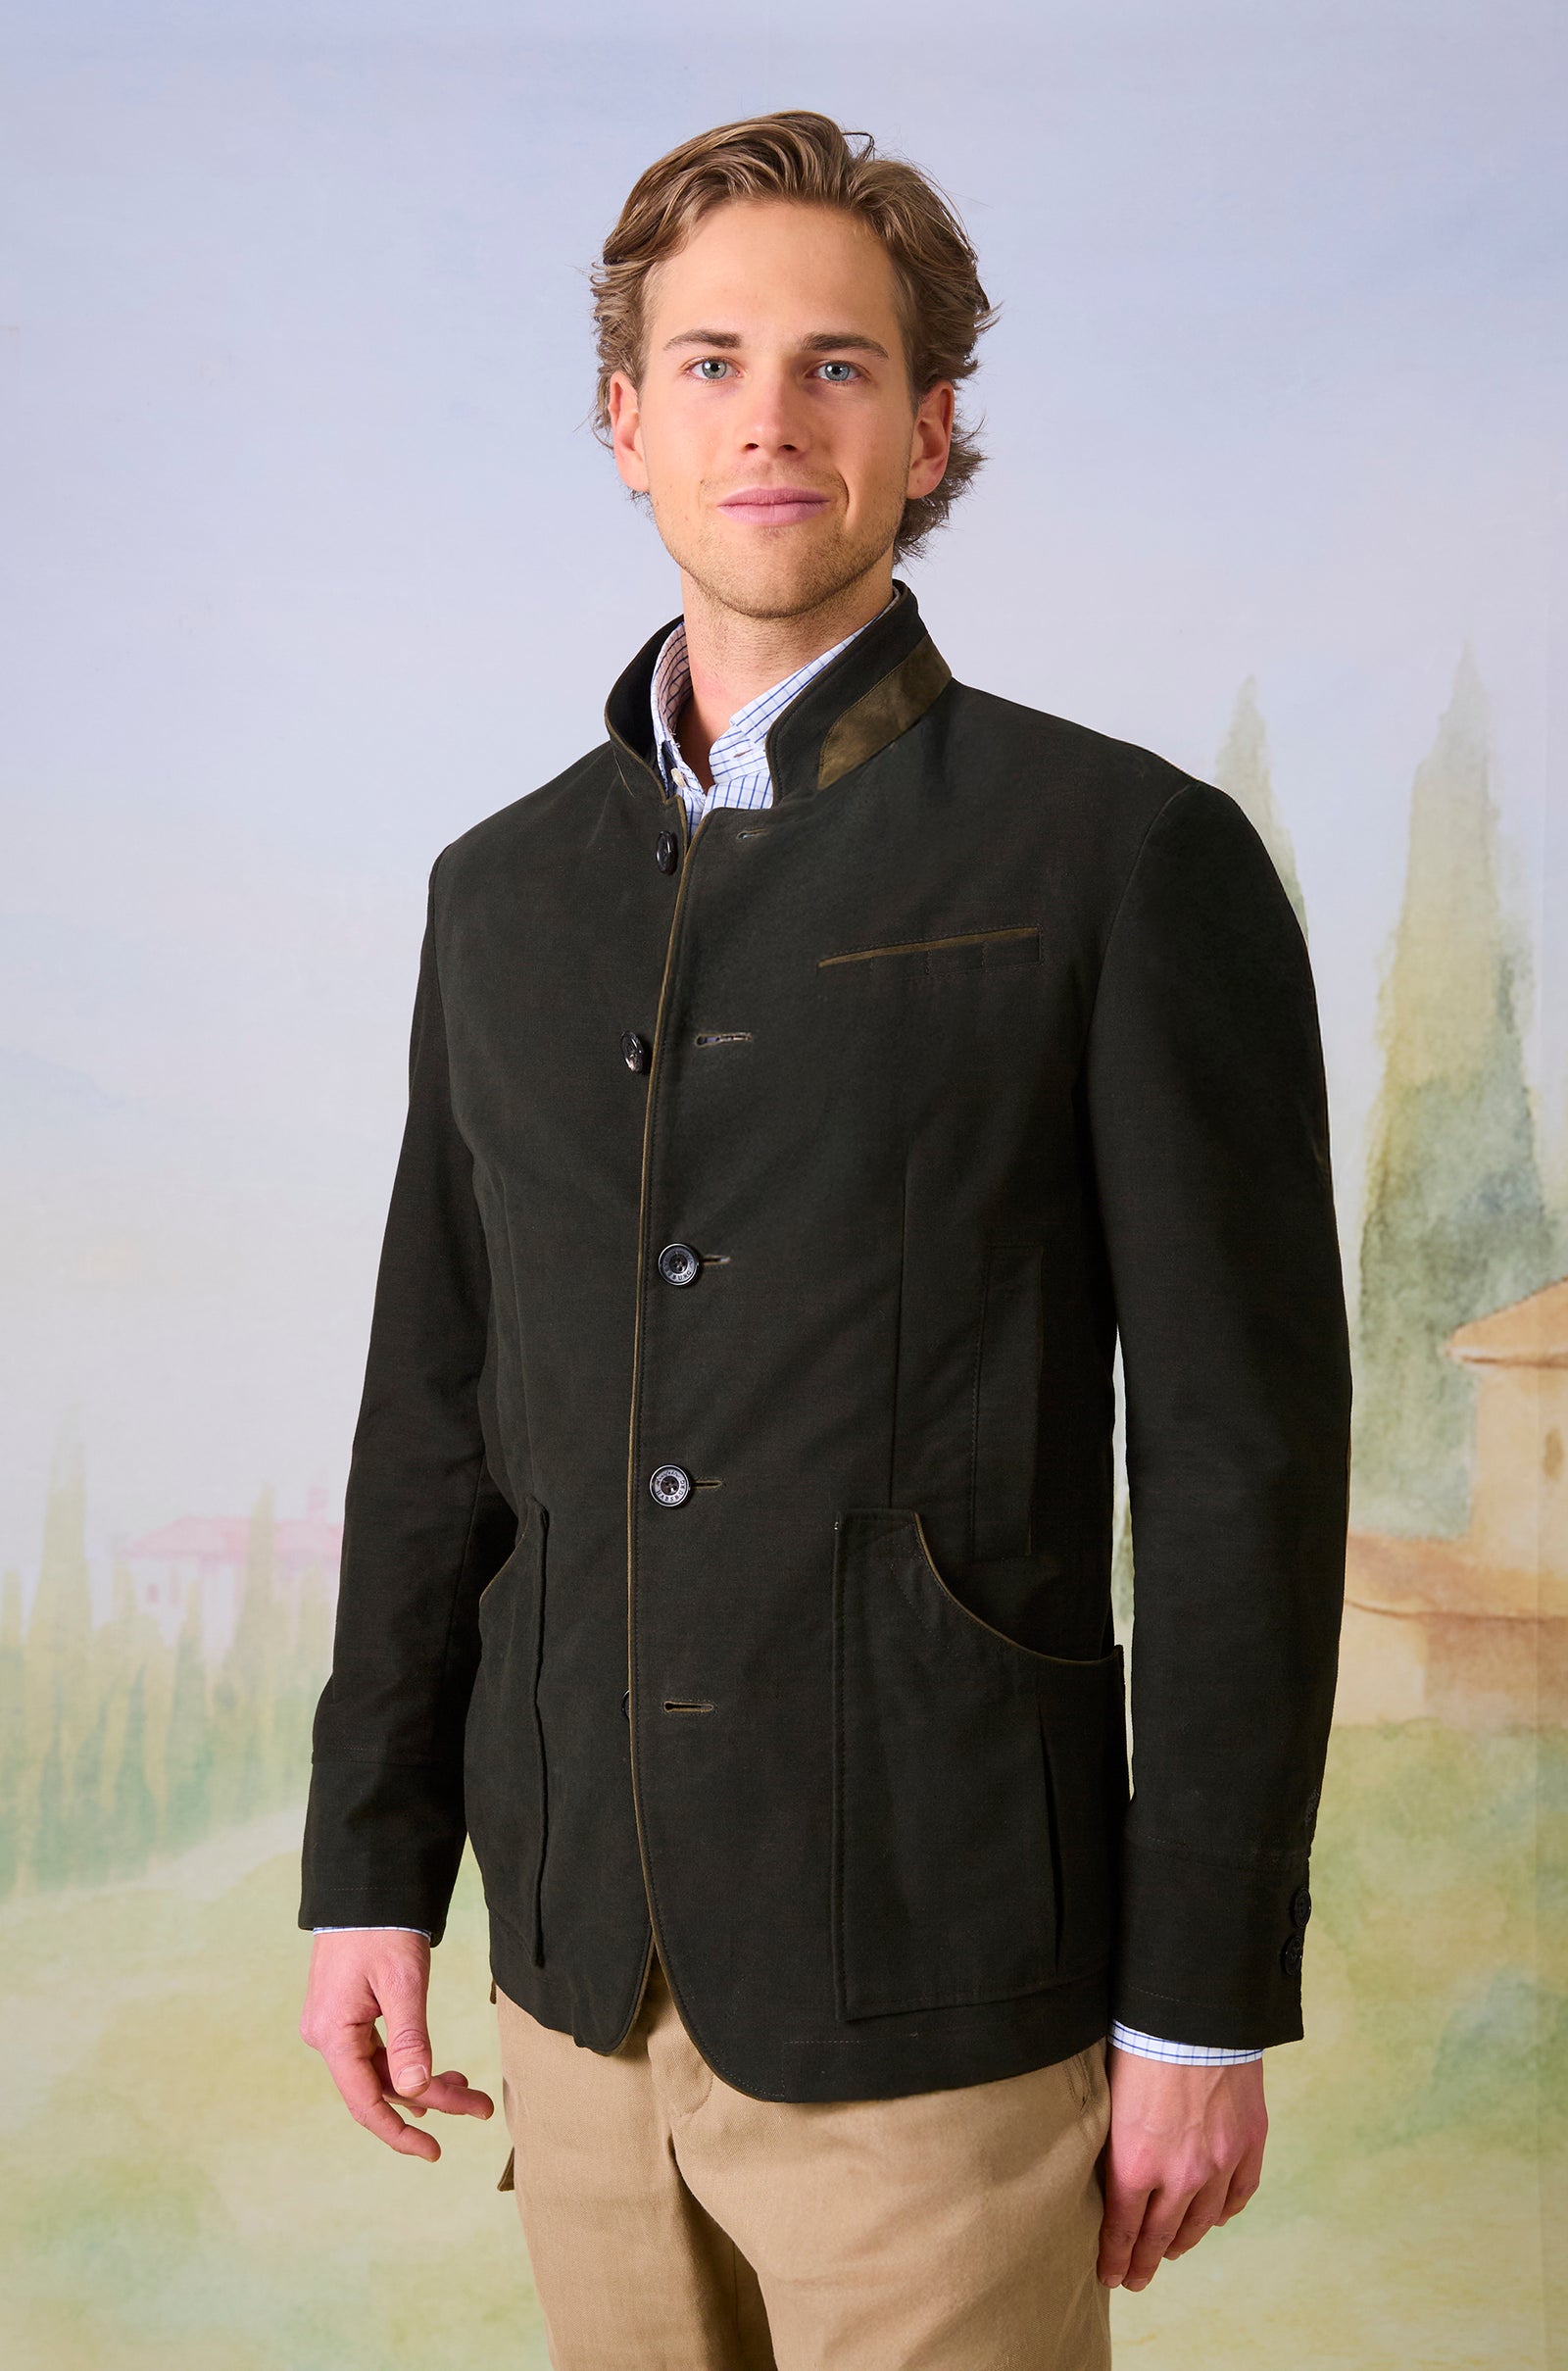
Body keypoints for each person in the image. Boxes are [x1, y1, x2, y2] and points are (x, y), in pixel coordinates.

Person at [298, 109, 1351, 2370]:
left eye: (834, 365)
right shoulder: (498, 898)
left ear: (927, 429)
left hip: (942, 1989)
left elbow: (1239, 1465)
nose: (765, 418)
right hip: (574, 1986)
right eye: (706, 363)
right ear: (624, 423)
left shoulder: (1117, 859)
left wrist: (1200, 1996)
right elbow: (432, 1417)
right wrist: (368, 1871)